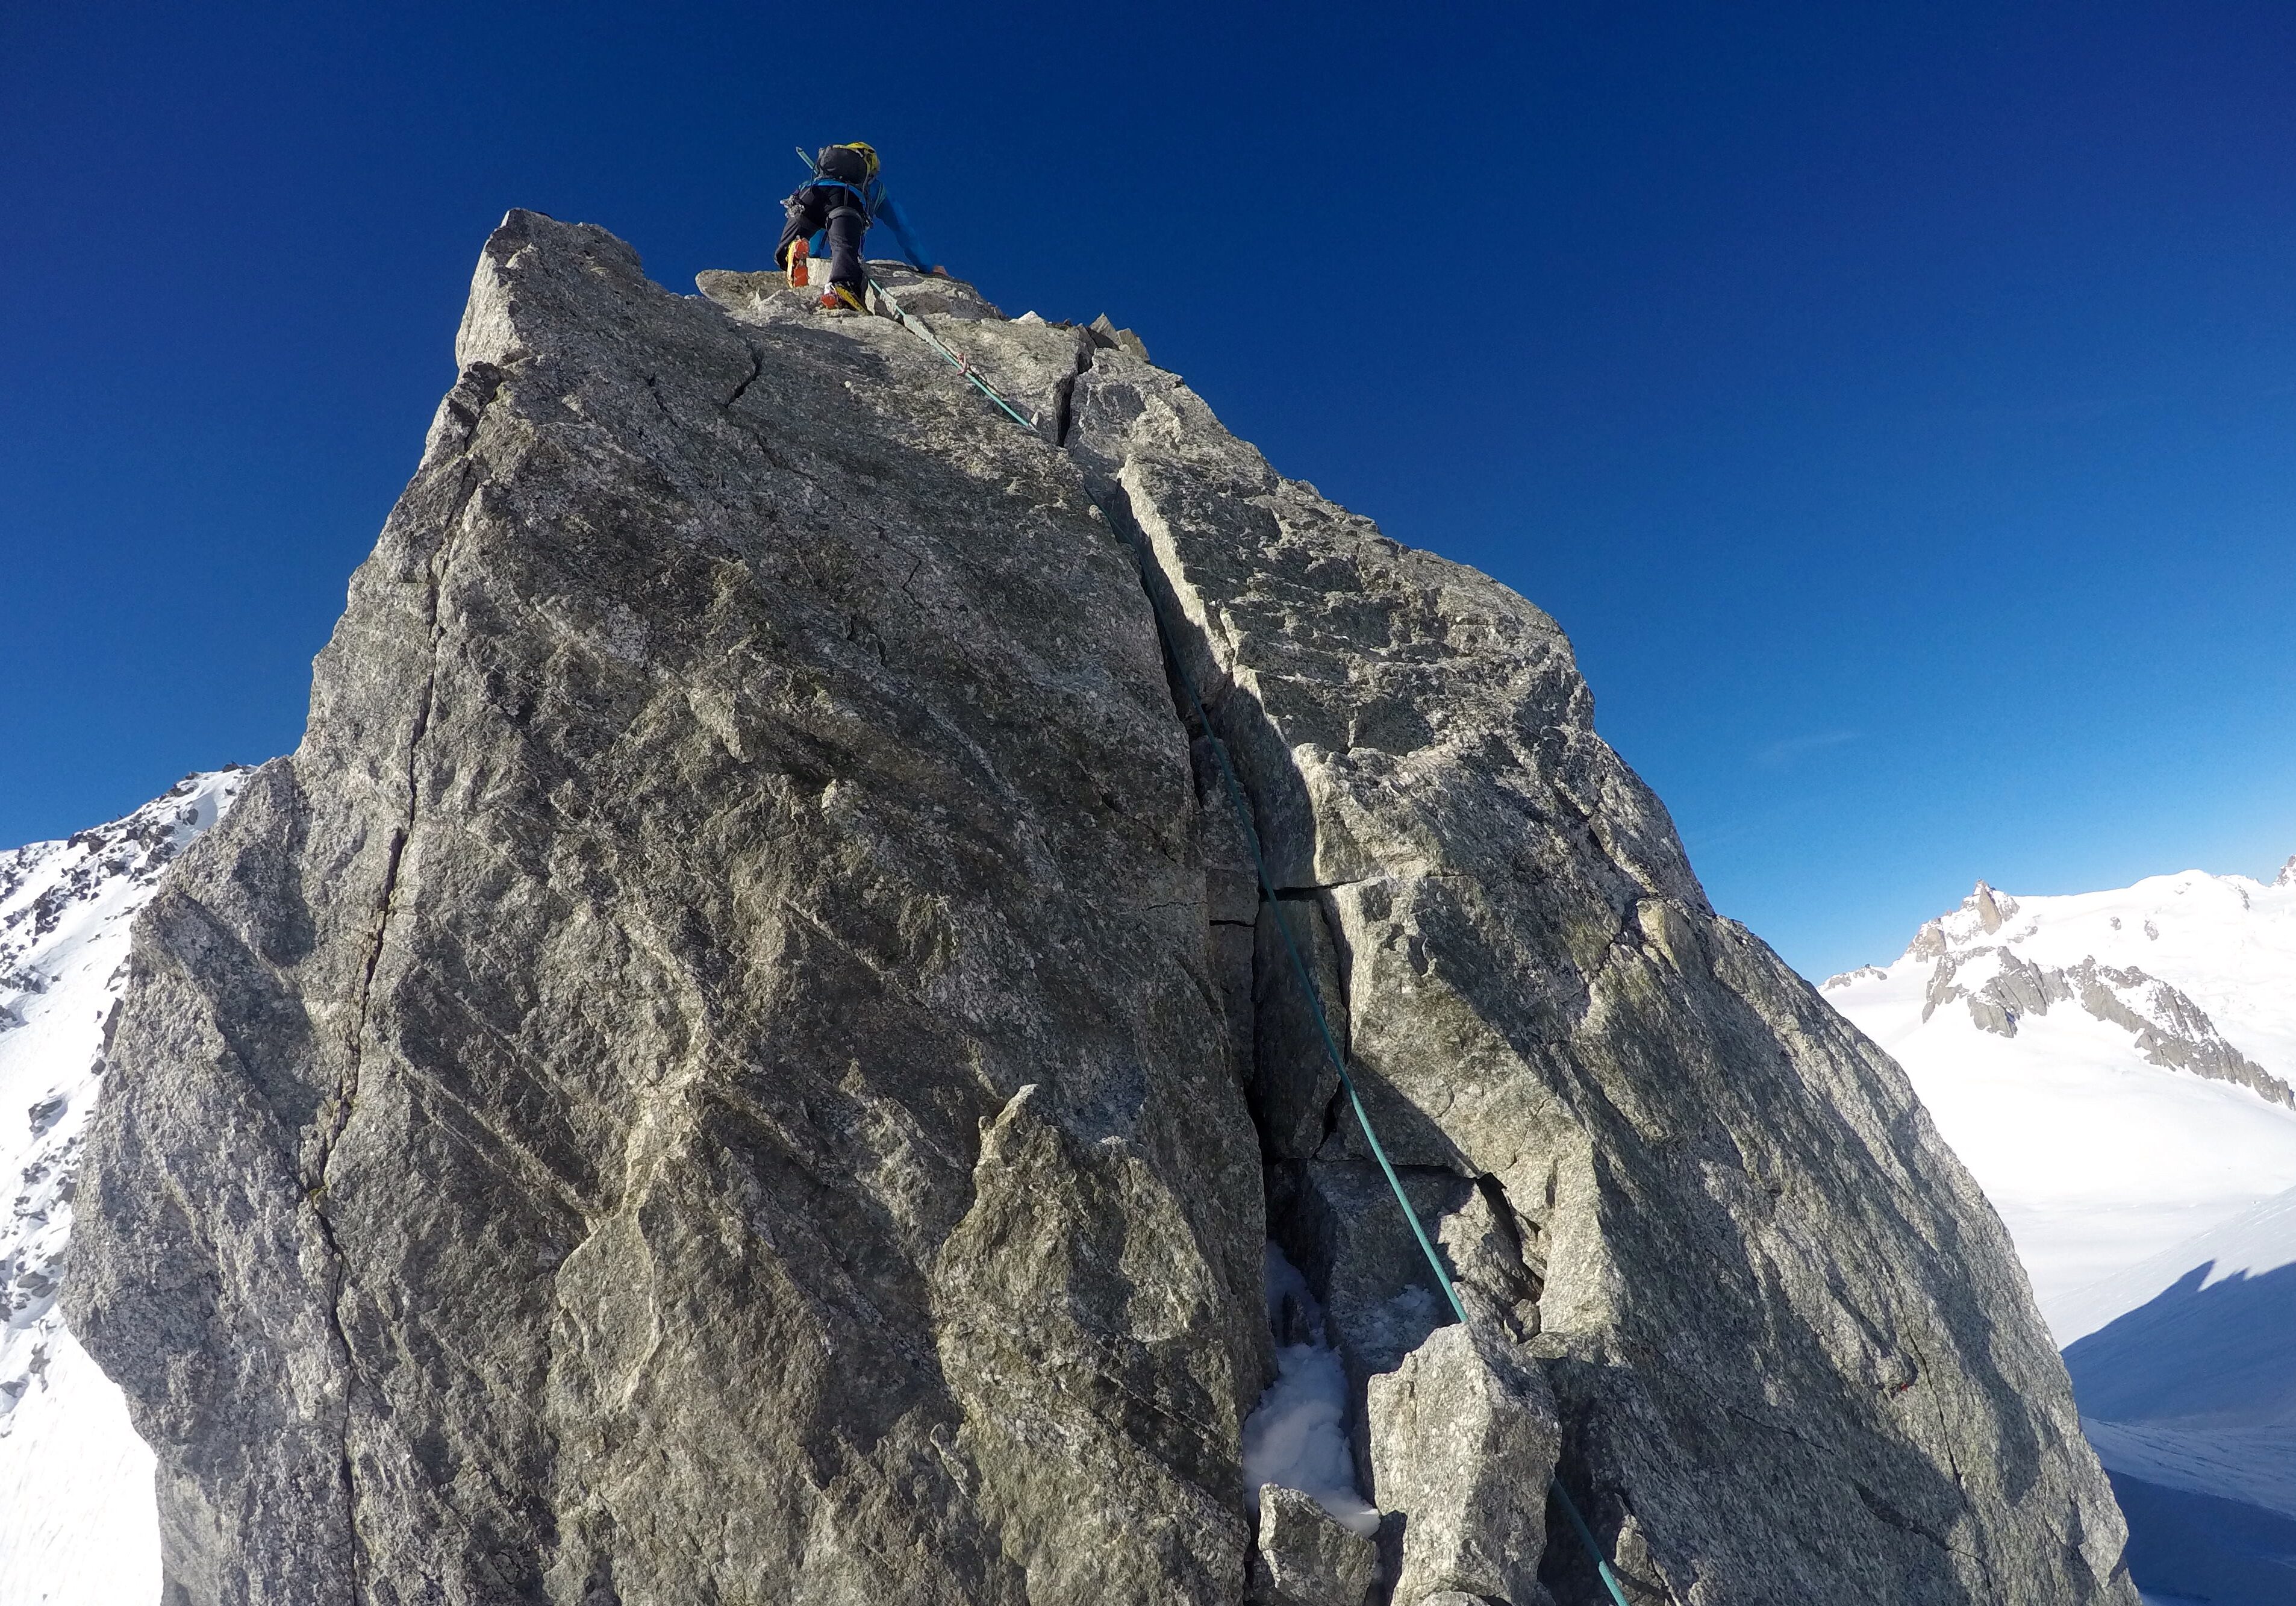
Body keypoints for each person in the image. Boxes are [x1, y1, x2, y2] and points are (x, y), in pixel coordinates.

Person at [776, 142, 942, 312]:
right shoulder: (876, 188)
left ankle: (790, 251)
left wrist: (813, 255)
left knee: (788, 246)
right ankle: (840, 287)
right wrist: (927, 266)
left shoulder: (819, 177)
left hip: (809, 197)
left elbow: (819, 229)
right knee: (844, 248)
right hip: (845, 202)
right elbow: (903, 229)